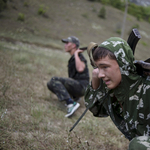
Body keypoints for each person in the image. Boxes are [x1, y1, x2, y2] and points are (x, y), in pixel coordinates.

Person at [84, 37, 150, 149]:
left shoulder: (146, 87)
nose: (100, 74)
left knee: (138, 145)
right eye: (98, 68)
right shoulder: (112, 91)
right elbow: (96, 110)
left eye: (105, 67)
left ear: (122, 63)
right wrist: (95, 79)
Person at [47, 36, 89, 118]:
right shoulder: (72, 59)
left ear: (73, 45)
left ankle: (71, 103)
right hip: (77, 86)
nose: (65, 45)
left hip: (82, 87)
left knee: (54, 80)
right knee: (50, 84)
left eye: (67, 43)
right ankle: (74, 97)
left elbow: (80, 69)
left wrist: (76, 53)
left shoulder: (79, 56)